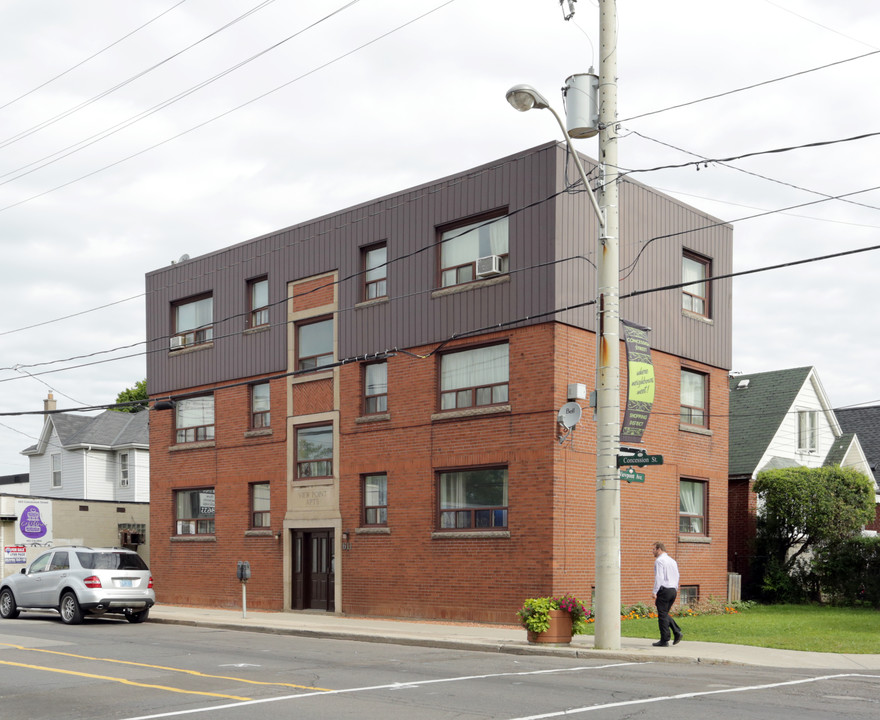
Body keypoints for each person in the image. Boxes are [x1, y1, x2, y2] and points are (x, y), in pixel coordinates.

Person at [651, 541, 682, 647]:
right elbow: (677, 575)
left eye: (654, 549)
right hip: (673, 590)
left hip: (664, 590)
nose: (652, 552)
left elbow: (659, 577)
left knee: (662, 615)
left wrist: (655, 591)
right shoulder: (672, 561)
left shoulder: (659, 561)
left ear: (659, 549)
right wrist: (675, 588)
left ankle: (665, 640)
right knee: (664, 614)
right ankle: (676, 632)